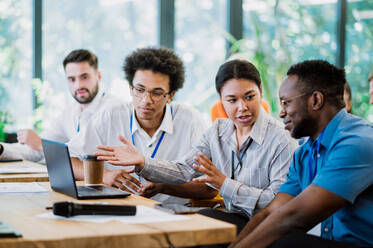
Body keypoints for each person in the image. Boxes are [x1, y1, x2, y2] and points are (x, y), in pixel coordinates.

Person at [94, 59, 298, 236]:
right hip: (231, 217)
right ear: (221, 101)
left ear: (260, 92)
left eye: (249, 97)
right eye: (232, 100)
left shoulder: (282, 139)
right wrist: (142, 162)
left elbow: (278, 202)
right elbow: (184, 170)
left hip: (269, 225)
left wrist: (223, 183)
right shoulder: (218, 131)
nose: (242, 107)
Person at [229, 60, 373, 248]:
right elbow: (272, 211)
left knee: (286, 240)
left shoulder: (358, 142)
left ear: (316, 100)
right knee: (218, 223)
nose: (281, 113)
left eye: (286, 102)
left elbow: (295, 217)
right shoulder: (303, 153)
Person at [67, 47, 209, 204]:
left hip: (171, 215)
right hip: (118, 211)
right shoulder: (111, 115)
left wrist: (164, 186)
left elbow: (209, 188)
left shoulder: (190, 121)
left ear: (170, 95)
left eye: (156, 93)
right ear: (130, 88)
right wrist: (105, 176)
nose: (146, 100)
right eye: (140, 90)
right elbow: (67, 162)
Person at [0, 49, 118, 162]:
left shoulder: (112, 109)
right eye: (72, 79)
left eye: (84, 77)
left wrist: (41, 145)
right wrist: (2, 149)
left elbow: (84, 153)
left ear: (98, 76)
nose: (78, 85)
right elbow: (36, 150)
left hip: (107, 181)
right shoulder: (69, 112)